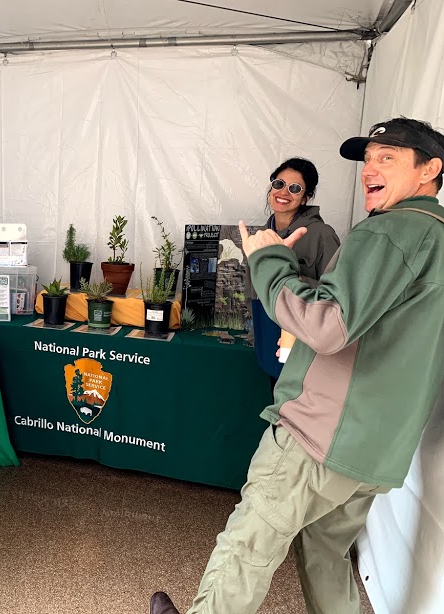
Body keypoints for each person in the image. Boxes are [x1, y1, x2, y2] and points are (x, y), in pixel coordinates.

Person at [150, 117, 444, 614]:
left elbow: (326, 322)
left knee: (250, 542)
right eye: (367, 159)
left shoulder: (388, 231)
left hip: (322, 433)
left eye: (387, 158)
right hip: (378, 445)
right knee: (326, 553)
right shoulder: (435, 237)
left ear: (430, 170)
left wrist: (267, 261)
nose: (370, 169)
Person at [249, 158, 340, 385]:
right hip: (267, 324)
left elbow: (337, 294)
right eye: (279, 184)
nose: (284, 193)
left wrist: (293, 281)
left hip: (300, 332)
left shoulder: (321, 234)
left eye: (295, 188)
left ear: (306, 196)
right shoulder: (263, 234)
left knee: (295, 399)